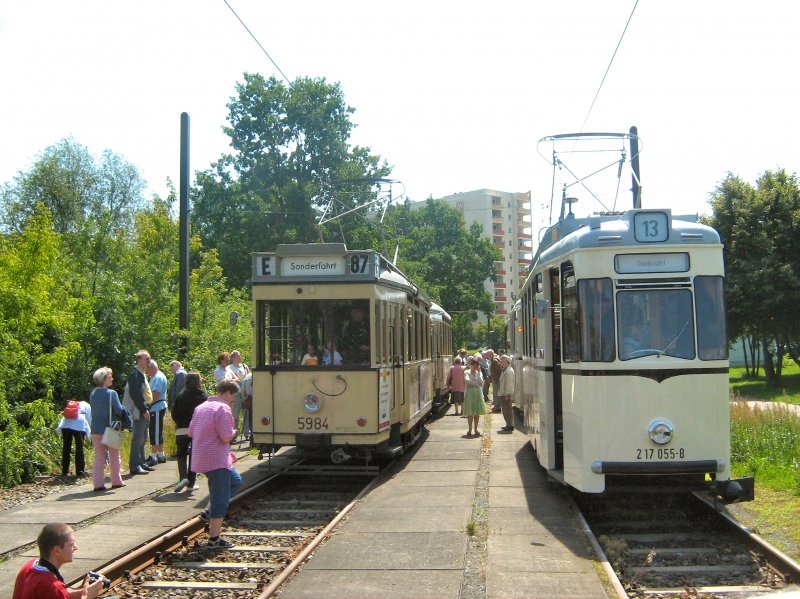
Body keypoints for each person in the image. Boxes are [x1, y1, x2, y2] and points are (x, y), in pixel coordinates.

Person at [189, 379, 243, 549]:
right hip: (216, 460)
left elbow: (191, 431)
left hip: (202, 457)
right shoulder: (223, 408)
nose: (233, 400)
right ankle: (214, 539)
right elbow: (226, 437)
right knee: (220, 499)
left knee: (235, 481)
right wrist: (234, 432)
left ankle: (208, 510)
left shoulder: (201, 407)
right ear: (227, 393)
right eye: (233, 397)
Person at [13, 522, 106, 599]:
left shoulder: (28, 566)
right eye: (71, 544)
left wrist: (82, 592)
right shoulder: (53, 586)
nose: (76, 547)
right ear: (57, 550)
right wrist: (87, 596)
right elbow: (55, 593)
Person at [88, 367, 128, 491]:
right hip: (111, 428)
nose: (112, 379)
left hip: (96, 428)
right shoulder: (111, 393)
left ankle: (98, 483)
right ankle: (116, 481)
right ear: (104, 379)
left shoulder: (93, 393)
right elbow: (119, 410)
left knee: (99, 456)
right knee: (114, 455)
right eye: (110, 377)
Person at [171, 372, 207, 493]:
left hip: (181, 428)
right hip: (197, 429)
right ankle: (191, 484)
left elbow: (174, 413)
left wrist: (179, 422)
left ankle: (183, 477)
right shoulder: (202, 396)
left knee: (181, 454)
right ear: (198, 381)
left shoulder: (181, 395)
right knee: (194, 455)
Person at [127, 350, 153, 476]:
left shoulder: (142, 374)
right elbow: (136, 394)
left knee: (143, 437)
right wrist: (144, 410)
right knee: (138, 437)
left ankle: (142, 462)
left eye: (149, 358)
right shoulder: (135, 375)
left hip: (145, 408)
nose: (149, 361)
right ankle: (135, 465)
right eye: (146, 358)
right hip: (140, 409)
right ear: (139, 359)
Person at [56, 399, 90, 478]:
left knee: (66, 447)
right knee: (79, 447)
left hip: (65, 424)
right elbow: (89, 420)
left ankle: (65, 471)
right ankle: (80, 471)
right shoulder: (87, 406)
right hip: (79, 424)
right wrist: (88, 433)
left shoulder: (71, 405)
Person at [146, 359, 168, 466]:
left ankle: (153, 455)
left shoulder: (158, 377)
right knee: (157, 430)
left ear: (152, 367)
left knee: (155, 431)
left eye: (147, 369)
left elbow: (156, 394)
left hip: (156, 406)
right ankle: (160, 454)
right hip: (157, 406)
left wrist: (148, 404)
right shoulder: (157, 376)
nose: (146, 372)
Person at [463, 354, 487, 437]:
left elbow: (481, 382)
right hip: (470, 393)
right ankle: (469, 429)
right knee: (470, 413)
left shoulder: (479, 373)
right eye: (473, 365)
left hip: (478, 393)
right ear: (470, 365)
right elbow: (467, 380)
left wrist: (478, 373)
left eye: (476, 365)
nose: (474, 366)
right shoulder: (466, 372)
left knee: (477, 413)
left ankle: (476, 429)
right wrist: (476, 384)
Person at [228, 350, 250, 439]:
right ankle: (235, 434)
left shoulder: (245, 366)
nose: (240, 356)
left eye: (240, 355)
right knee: (235, 416)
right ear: (233, 358)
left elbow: (249, 377)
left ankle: (247, 433)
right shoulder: (229, 368)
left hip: (245, 394)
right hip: (236, 395)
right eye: (238, 355)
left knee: (246, 414)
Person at [497, 354, 516, 432]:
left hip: (506, 394)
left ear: (507, 362)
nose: (500, 362)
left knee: (507, 410)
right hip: (503, 393)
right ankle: (508, 424)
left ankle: (510, 425)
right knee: (505, 410)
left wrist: (508, 394)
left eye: (502, 361)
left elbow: (510, 384)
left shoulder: (509, 371)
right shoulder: (505, 370)